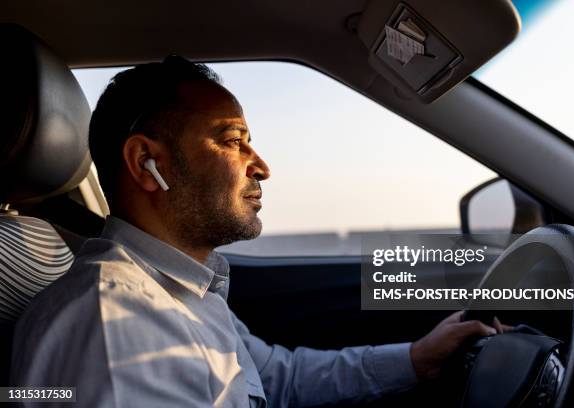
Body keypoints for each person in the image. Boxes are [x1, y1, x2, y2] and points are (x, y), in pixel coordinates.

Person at [11, 56, 502, 407]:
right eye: (232, 141)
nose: (261, 167)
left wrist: (416, 359)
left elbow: (274, 379)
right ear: (147, 163)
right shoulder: (117, 327)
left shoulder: (181, 291)